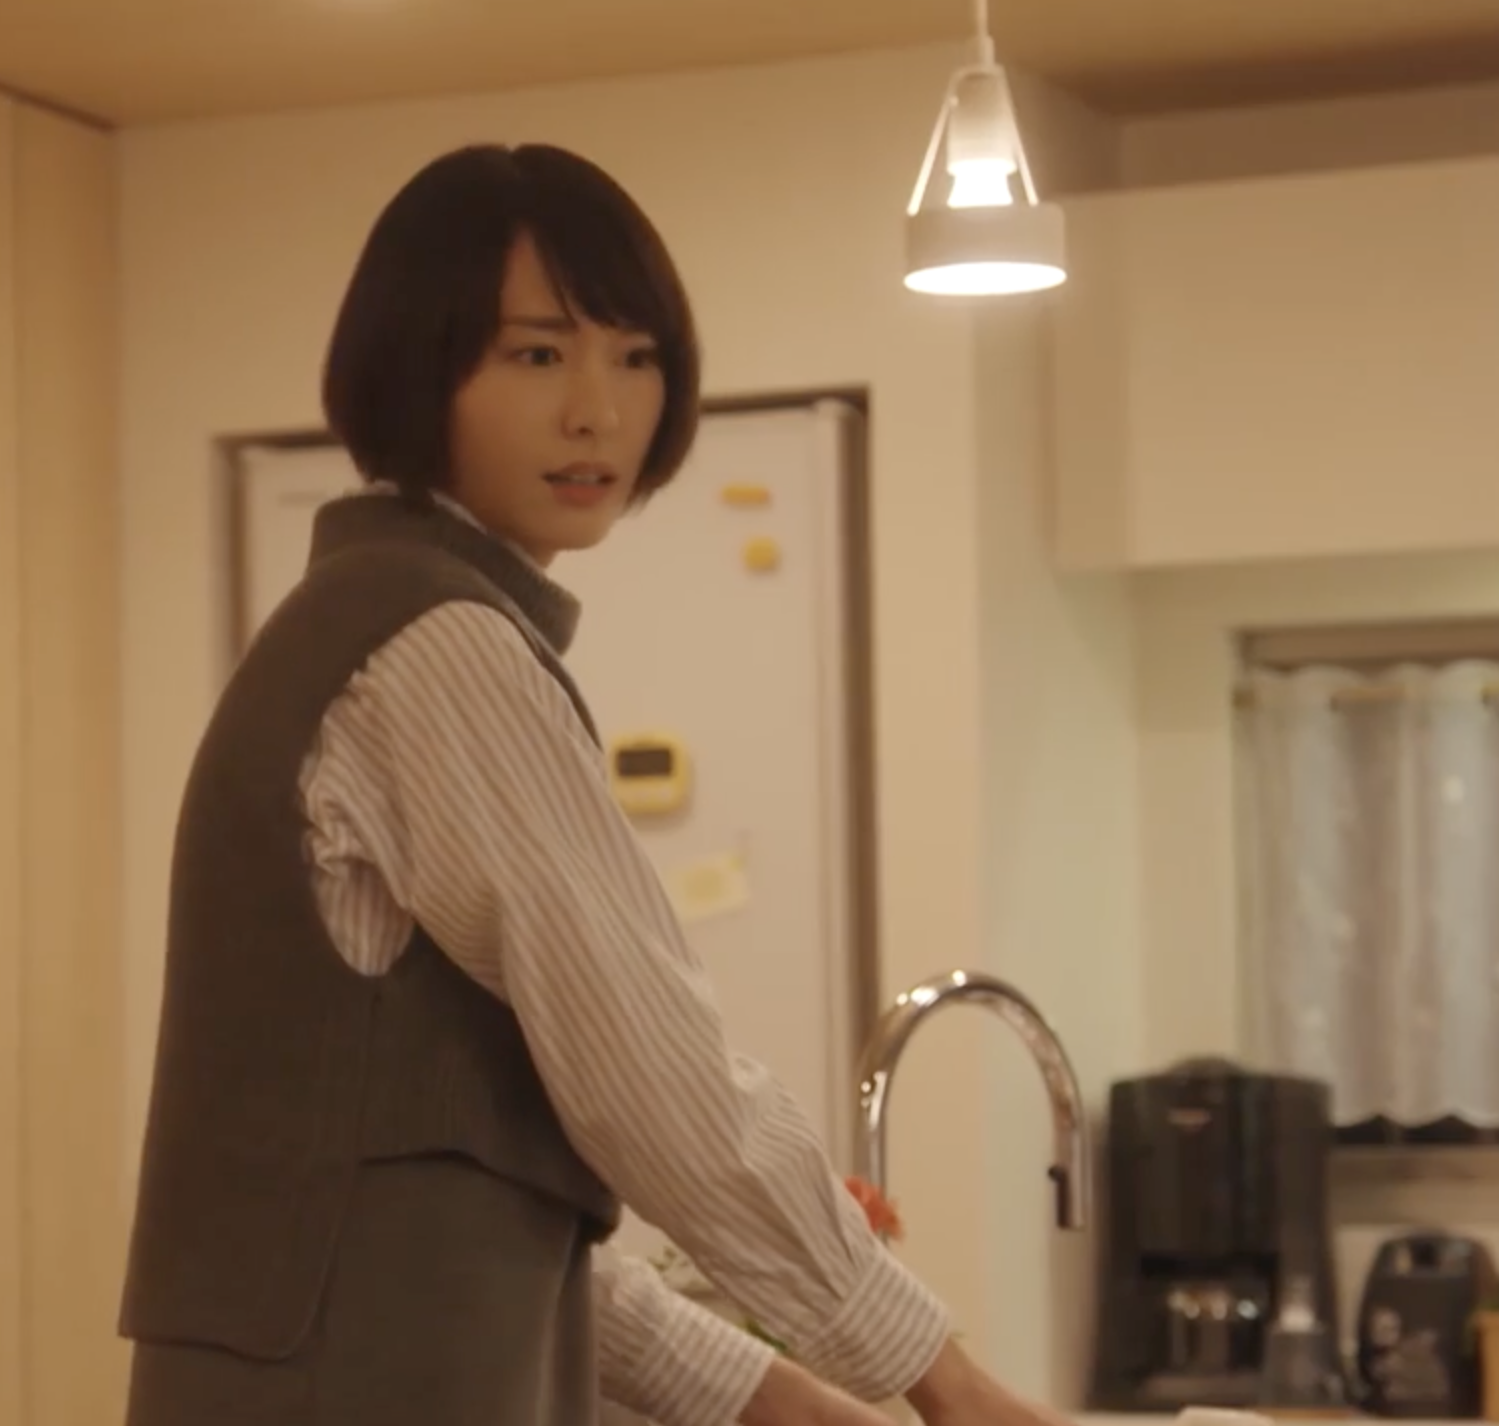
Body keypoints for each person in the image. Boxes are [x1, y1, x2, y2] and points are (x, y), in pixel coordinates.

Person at [117, 141, 1078, 1426]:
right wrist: (940, 1378)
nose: (598, 412)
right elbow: (662, 1083)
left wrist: (784, 1400)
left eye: (635, 357)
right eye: (536, 354)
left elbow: (483, 1206)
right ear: (416, 365)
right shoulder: (437, 648)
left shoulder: (360, 623)